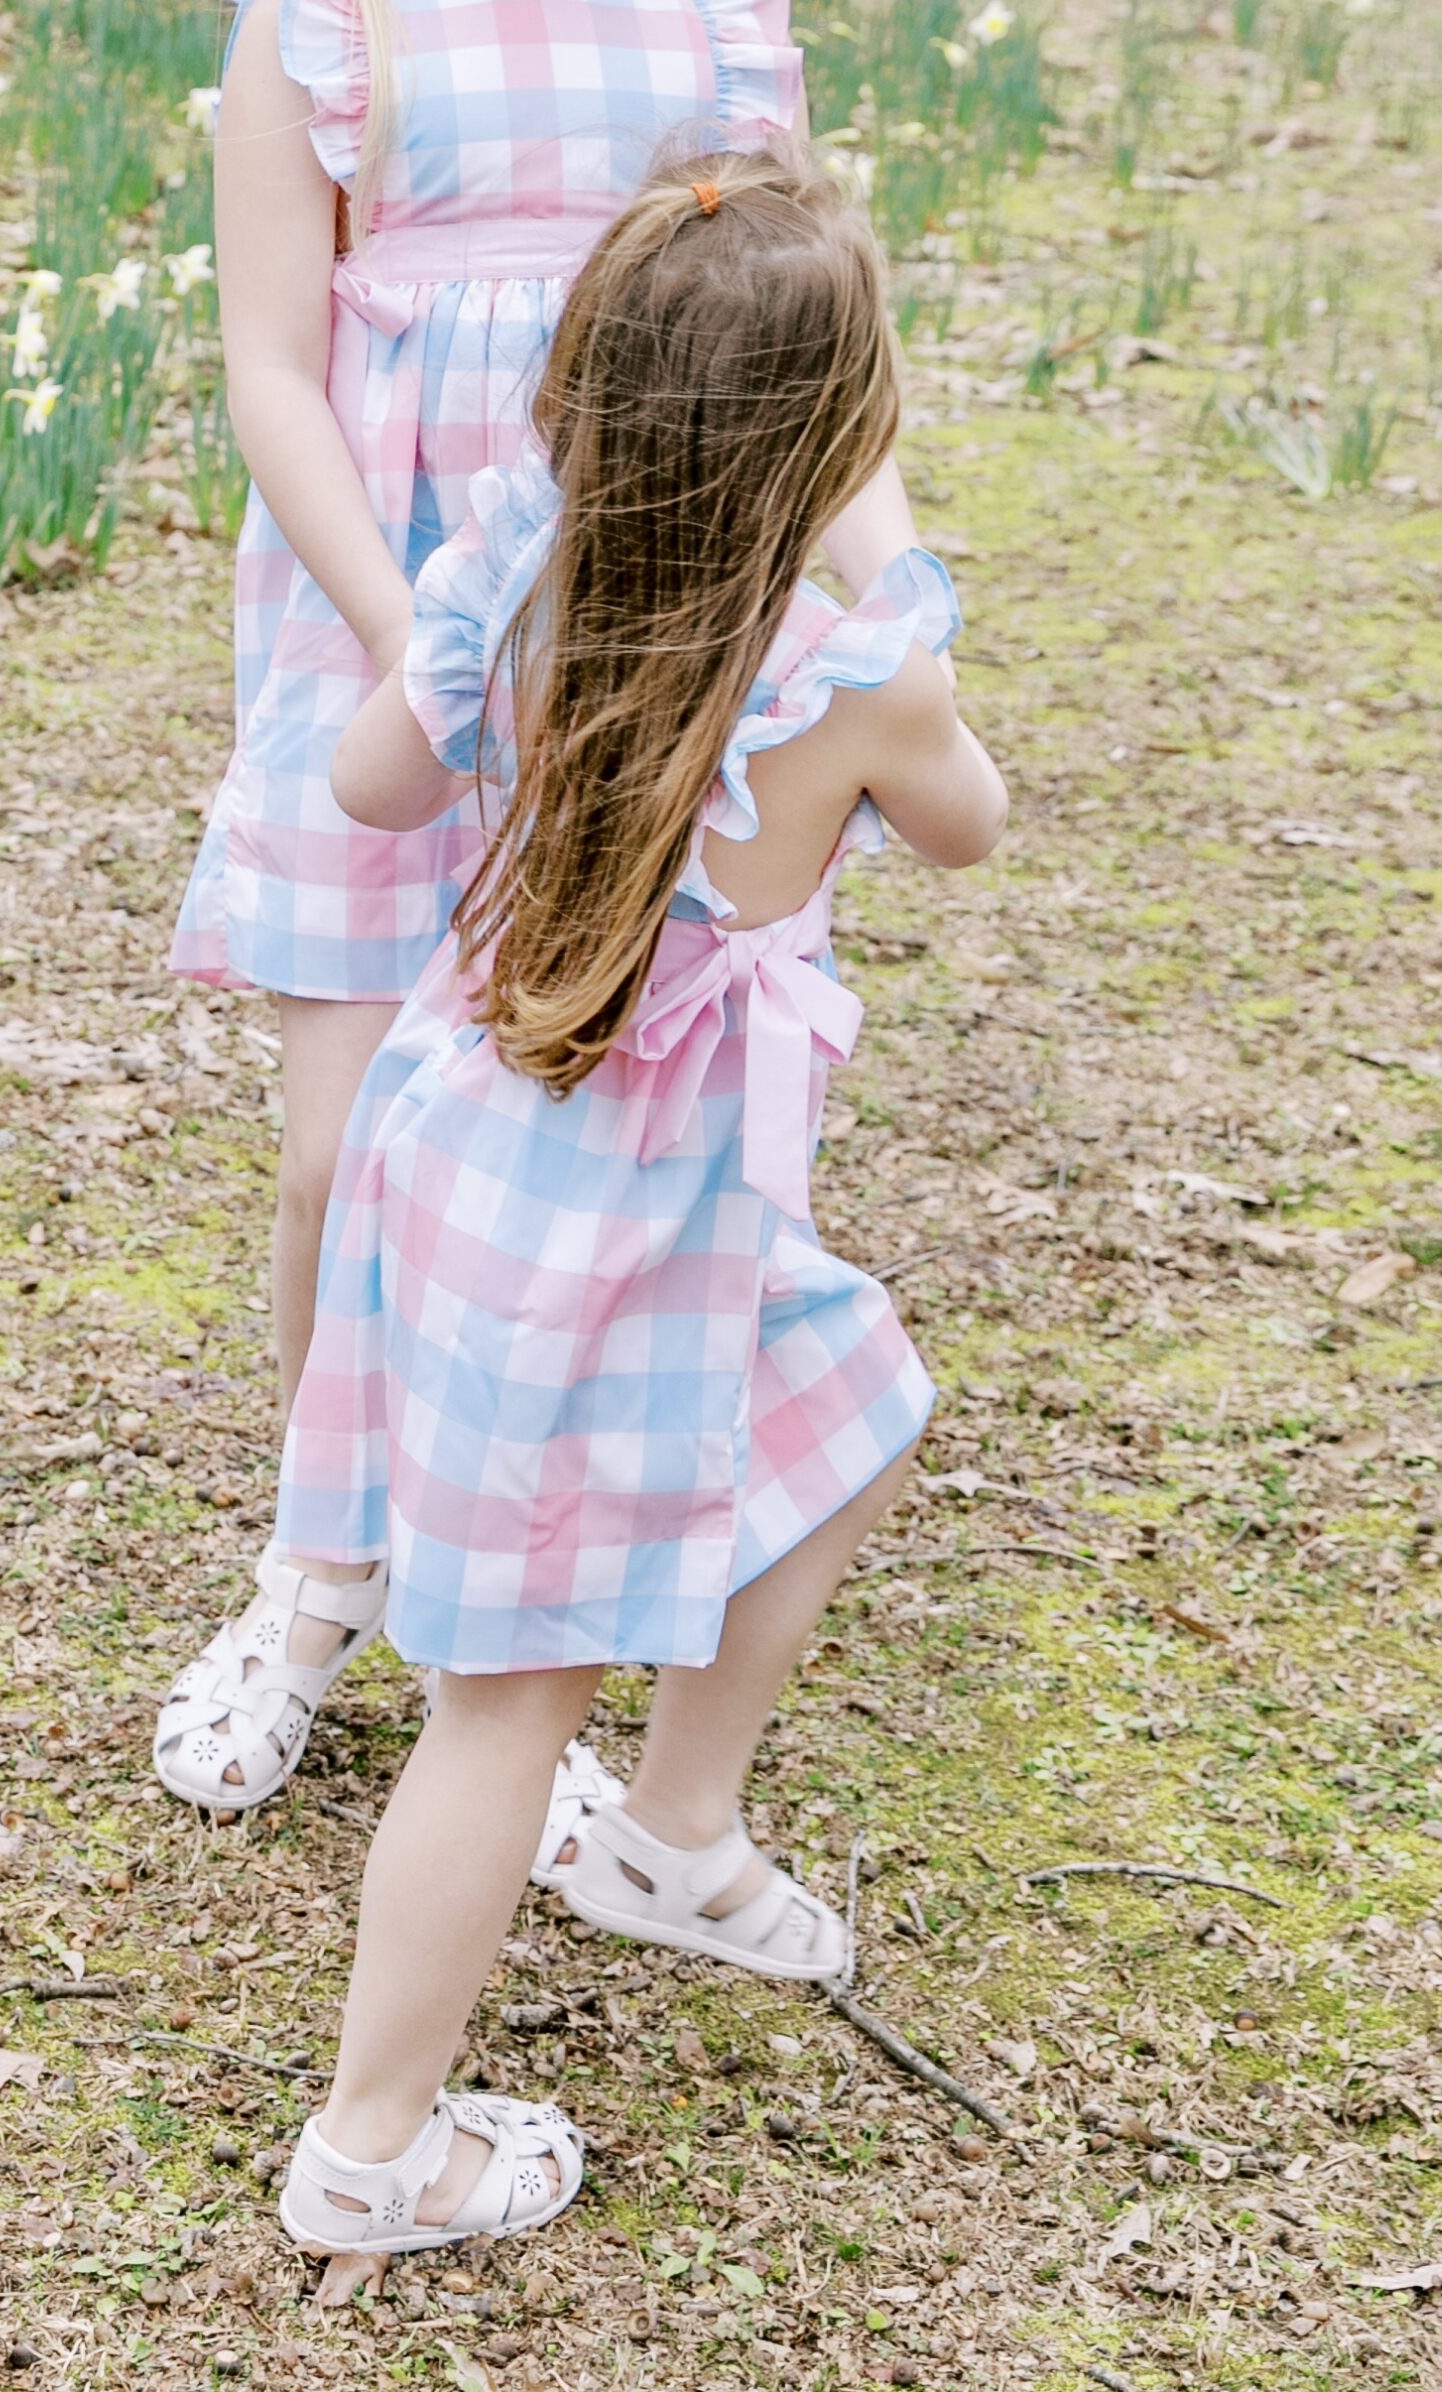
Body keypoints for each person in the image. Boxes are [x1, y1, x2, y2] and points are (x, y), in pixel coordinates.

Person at [155, 0, 922, 1816]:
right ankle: (317, 1560)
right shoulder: (326, 2)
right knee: (332, 1163)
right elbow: (274, 370)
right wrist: (412, 632)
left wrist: (881, 579)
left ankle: (581, 1557)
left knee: (594, 1137)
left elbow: (803, 344)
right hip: (386, 638)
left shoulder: (692, 5)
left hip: (639, 654)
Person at [264, 149, 1004, 2272]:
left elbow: (366, 787)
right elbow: (969, 825)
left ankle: (678, 1835)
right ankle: (368, 2144)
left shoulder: (516, 579)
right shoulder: (849, 672)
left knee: (850, 1402)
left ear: (577, 385)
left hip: (480, 1154)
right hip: (613, 1236)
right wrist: (886, 557)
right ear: (838, 437)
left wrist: (464, 612)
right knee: (505, 1699)